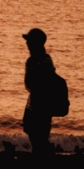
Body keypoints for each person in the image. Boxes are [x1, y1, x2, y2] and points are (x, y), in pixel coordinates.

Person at [22, 27, 55, 155]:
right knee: (36, 138)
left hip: (41, 106)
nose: (27, 44)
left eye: (29, 41)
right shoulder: (34, 61)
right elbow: (30, 84)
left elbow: (39, 84)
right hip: (34, 105)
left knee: (39, 139)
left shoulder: (43, 60)